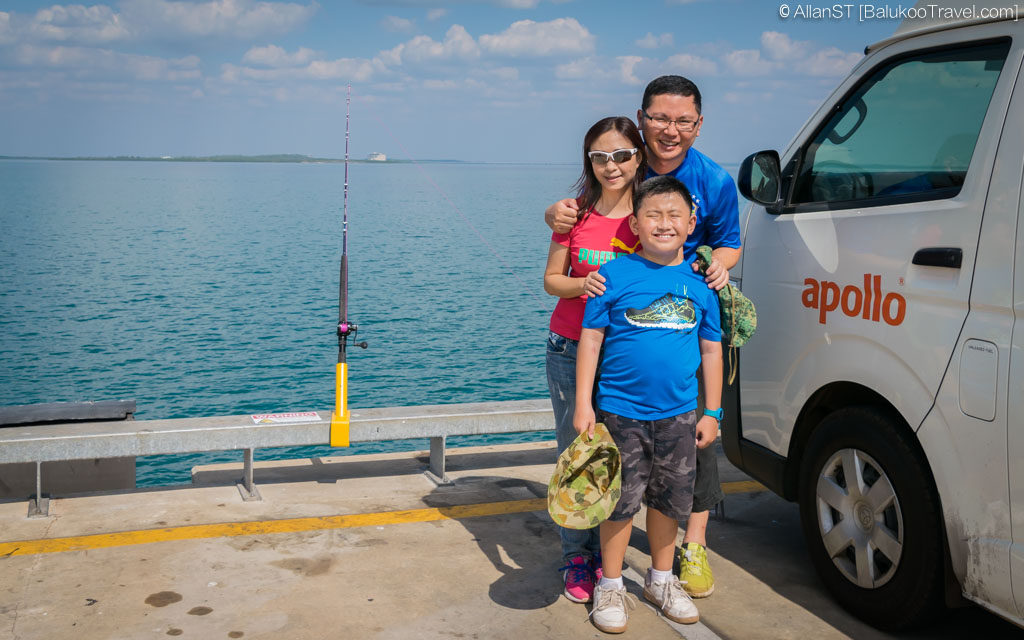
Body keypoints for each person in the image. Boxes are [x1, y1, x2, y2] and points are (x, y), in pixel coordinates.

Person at [545, 75, 740, 598]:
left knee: (687, 452)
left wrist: (715, 268)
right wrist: (554, 216)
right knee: (594, 457)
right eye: (658, 118)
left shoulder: (714, 180)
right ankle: (583, 559)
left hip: (676, 329)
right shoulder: (625, 171)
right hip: (600, 338)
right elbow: (576, 220)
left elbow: (727, 243)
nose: (669, 130)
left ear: (699, 124)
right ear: (641, 119)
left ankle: (689, 547)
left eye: (682, 120)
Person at [575, 175, 723, 633]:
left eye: (674, 214)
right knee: (618, 504)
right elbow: (591, 339)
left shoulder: (701, 284)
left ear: (691, 222)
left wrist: (712, 412)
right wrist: (584, 404)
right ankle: (612, 584)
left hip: (679, 416)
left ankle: (660, 580)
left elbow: (712, 350)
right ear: (635, 224)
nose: (664, 223)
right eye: (653, 215)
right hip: (620, 414)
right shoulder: (613, 274)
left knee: (669, 503)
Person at [543, 116, 647, 604]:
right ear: (589, 161)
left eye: (621, 155)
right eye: (600, 157)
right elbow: (551, 279)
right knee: (576, 454)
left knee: (623, 457)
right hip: (568, 348)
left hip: (625, 354)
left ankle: (610, 558)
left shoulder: (648, 216)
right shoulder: (573, 215)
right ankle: (575, 557)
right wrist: (582, 286)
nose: (611, 166)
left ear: (638, 157)